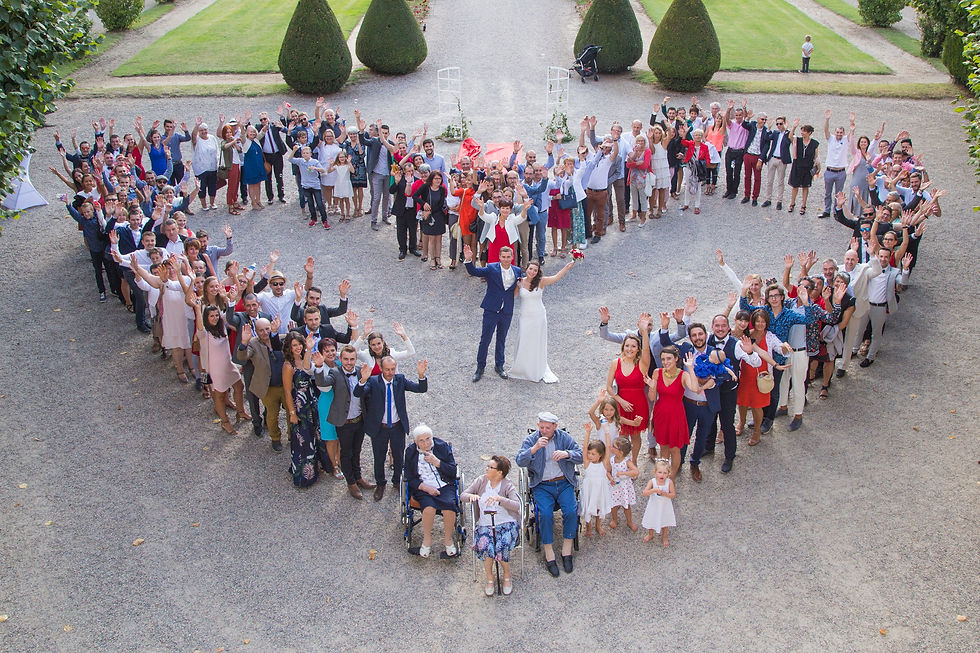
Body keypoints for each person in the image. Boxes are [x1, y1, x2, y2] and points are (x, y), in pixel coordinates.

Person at [515, 412, 583, 577]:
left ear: (555, 427)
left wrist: (567, 454)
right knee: (544, 514)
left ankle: (567, 550)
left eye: (548, 428)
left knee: (571, 510)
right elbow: (519, 461)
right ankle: (549, 552)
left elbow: (580, 456)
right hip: (542, 484)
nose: (544, 431)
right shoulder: (532, 440)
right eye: (541, 427)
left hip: (563, 481)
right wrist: (535, 448)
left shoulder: (563, 438)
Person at [353, 356, 429, 501]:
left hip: (397, 427)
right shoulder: (373, 381)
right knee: (379, 457)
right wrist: (363, 380)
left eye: (392, 369)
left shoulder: (400, 380)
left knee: (399, 456)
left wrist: (421, 375)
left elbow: (421, 389)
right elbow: (358, 393)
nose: (390, 372)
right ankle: (380, 484)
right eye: (387, 369)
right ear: (381, 369)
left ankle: (397, 481)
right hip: (379, 428)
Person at [313, 344, 376, 499]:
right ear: (340, 359)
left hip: (359, 419)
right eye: (346, 359)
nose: (349, 362)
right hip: (345, 422)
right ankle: (351, 483)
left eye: (352, 359)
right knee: (346, 453)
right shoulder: (335, 372)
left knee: (357, 451)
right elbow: (322, 383)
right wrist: (320, 366)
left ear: (355, 359)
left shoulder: (362, 370)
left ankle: (358, 476)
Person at [462, 455, 521, 597]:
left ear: (499, 472)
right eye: (487, 466)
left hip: (506, 523)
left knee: (502, 544)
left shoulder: (507, 485)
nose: (487, 469)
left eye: (490, 467)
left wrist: (500, 499)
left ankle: (507, 574)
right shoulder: (481, 481)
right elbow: (463, 495)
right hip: (485, 523)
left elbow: (517, 505)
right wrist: (472, 497)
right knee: (485, 545)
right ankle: (489, 577)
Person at [508, 259, 575, 383]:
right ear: (526, 269)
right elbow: (512, 297)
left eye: (535, 270)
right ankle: (522, 367)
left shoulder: (541, 281)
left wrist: (566, 267)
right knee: (524, 340)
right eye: (530, 269)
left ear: (538, 271)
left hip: (538, 317)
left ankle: (536, 368)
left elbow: (556, 277)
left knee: (536, 341)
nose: (532, 272)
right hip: (524, 317)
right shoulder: (520, 282)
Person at [464, 243, 524, 382]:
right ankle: (480, 367)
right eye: (503, 257)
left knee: (501, 339)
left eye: (508, 257)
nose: (506, 259)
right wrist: (468, 260)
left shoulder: (517, 271)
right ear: (499, 257)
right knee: (485, 339)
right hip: (491, 309)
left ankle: (499, 366)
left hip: (506, 310)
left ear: (512, 257)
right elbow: (474, 272)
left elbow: (519, 287)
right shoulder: (491, 268)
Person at [645, 348, 708, 479]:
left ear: (676, 359)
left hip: (676, 416)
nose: (665, 362)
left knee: (675, 449)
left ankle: (672, 477)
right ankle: (663, 476)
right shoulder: (657, 372)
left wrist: (690, 368)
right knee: (663, 448)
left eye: (668, 358)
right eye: (663, 359)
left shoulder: (683, 375)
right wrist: (652, 386)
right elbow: (652, 398)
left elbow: (695, 389)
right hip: (660, 415)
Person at [403, 424, 460, 559]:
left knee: (449, 507)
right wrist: (425, 487)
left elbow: (453, 471)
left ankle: (448, 541)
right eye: (421, 441)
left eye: (428, 439)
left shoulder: (442, 447)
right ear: (416, 442)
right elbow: (409, 477)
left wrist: (437, 462)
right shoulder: (411, 452)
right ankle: (426, 541)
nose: (426, 443)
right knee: (429, 508)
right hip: (423, 486)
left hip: (444, 484)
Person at [193, 300, 249, 434]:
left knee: (239, 386)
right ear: (206, 318)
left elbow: (228, 313)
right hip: (215, 369)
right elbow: (199, 327)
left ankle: (240, 411)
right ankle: (224, 422)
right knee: (219, 395)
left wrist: (232, 296)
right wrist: (197, 308)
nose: (215, 318)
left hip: (228, 365)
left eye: (216, 315)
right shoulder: (204, 333)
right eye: (211, 316)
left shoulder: (222, 325)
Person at [604, 320, 651, 466]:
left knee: (636, 435)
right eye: (627, 345)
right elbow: (609, 387)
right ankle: (622, 461)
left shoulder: (642, 364)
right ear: (623, 347)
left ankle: (634, 461)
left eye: (634, 346)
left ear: (638, 349)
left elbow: (647, 351)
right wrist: (620, 401)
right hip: (621, 403)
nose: (630, 349)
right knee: (622, 435)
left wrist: (644, 332)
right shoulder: (615, 363)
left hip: (638, 403)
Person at [236, 318, 286, 451]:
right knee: (272, 414)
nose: (265, 333)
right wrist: (243, 343)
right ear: (256, 331)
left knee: (291, 412)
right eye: (261, 330)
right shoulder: (253, 343)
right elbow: (242, 357)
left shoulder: (281, 339)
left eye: (267, 329)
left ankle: (292, 436)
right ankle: (275, 439)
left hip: (286, 385)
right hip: (268, 387)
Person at [282, 331, 319, 488]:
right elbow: (287, 391)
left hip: (311, 401)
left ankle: (316, 468)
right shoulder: (288, 366)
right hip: (299, 404)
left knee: (314, 437)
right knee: (302, 440)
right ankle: (303, 475)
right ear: (289, 348)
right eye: (294, 345)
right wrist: (292, 413)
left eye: (299, 344)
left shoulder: (306, 359)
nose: (297, 348)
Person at [312, 338, 343, 478]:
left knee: (341, 436)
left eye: (332, 350)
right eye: (327, 351)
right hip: (328, 403)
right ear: (321, 353)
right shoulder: (318, 366)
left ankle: (341, 461)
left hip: (341, 402)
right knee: (331, 438)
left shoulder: (340, 362)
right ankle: (334, 465)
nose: (330, 353)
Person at [580, 423, 613, 537]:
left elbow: (608, 448)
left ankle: (598, 525)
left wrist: (607, 432)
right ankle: (588, 527)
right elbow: (584, 448)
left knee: (598, 507)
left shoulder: (603, 464)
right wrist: (588, 432)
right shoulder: (587, 463)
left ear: (600, 455)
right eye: (589, 453)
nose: (589, 455)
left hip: (600, 489)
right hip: (590, 489)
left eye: (593, 454)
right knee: (589, 507)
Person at [787, 119, 820, 215]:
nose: (802, 133)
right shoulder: (798, 140)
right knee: (795, 186)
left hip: (807, 167)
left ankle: (803, 205)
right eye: (802, 131)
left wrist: (818, 167)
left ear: (809, 133)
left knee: (806, 187)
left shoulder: (814, 143)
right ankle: (792, 204)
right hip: (797, 166)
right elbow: (790, 137)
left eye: (804, 131)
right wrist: (794, 127)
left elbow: (816, 156)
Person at [641, 459, 676, 546]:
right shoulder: (652, 482)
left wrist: (665, 494)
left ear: (668, 473)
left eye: (665, 473)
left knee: (665, 520)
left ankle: (664, 537)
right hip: (654, 505)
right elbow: (644, 493)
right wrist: (653, 490)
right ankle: (650, 534)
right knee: (652, 518)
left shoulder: (669, 482)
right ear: (655, 472)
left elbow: (673, 495)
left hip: (665, 506)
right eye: (660, 472)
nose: (662, 475)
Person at [607, 436, 639, 531]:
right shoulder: (612, 460)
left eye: (614, 446)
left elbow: (636, 472)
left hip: (624, 486)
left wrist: (624, 473)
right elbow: (608, 471)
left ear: (620, 452)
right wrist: (610, 478)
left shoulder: (627, 461)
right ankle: (615, 519)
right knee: (614, 505)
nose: (611, 447)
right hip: (614, 486)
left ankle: (629, 521)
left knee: (626, 506)